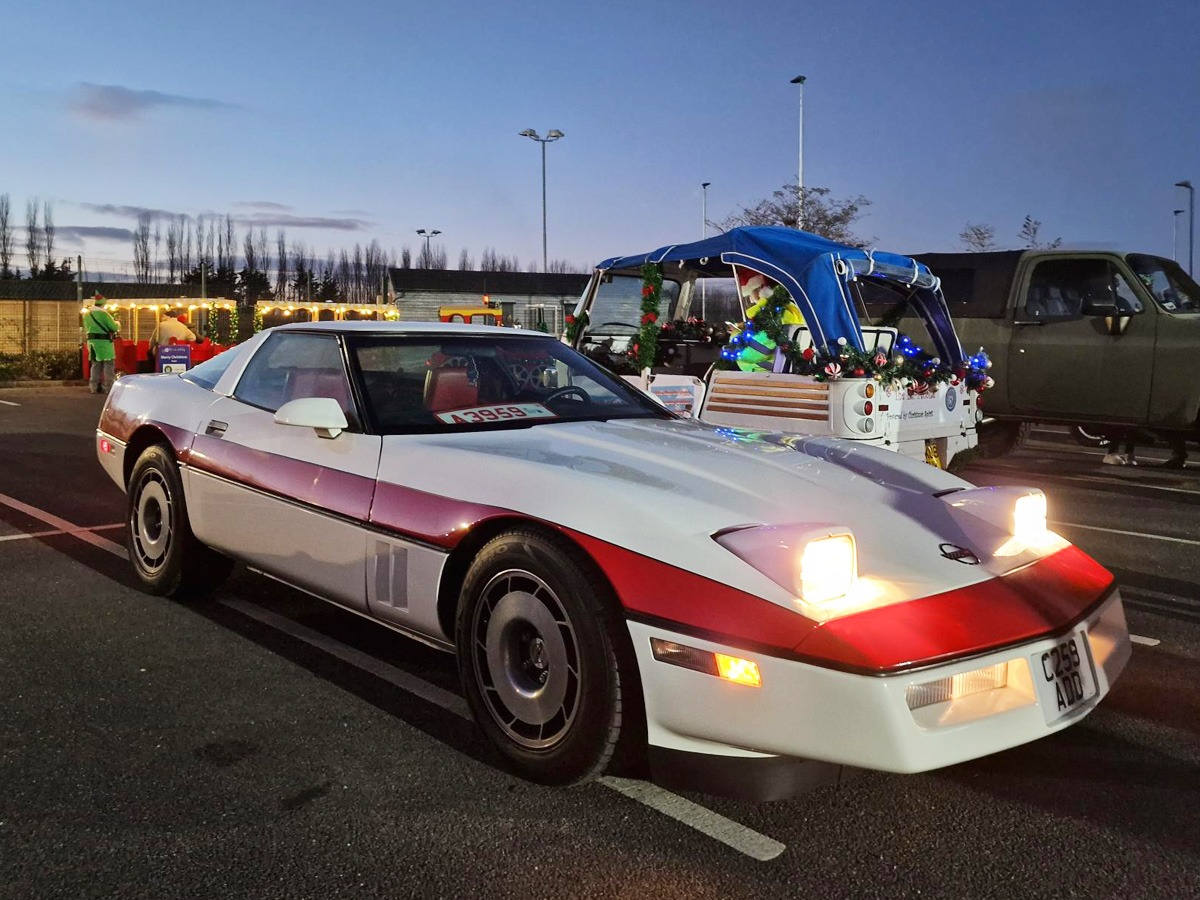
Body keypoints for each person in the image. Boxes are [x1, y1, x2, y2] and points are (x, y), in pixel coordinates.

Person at [83, 293, 120, 394]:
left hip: (91, 343)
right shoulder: (104, 314)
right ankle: (108, 387)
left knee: (95, 364)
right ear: (103, 304)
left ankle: (94, 386)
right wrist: (117, 323)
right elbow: (114, 327)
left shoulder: (87, 314)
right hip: (104, 343)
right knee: (108, 363)